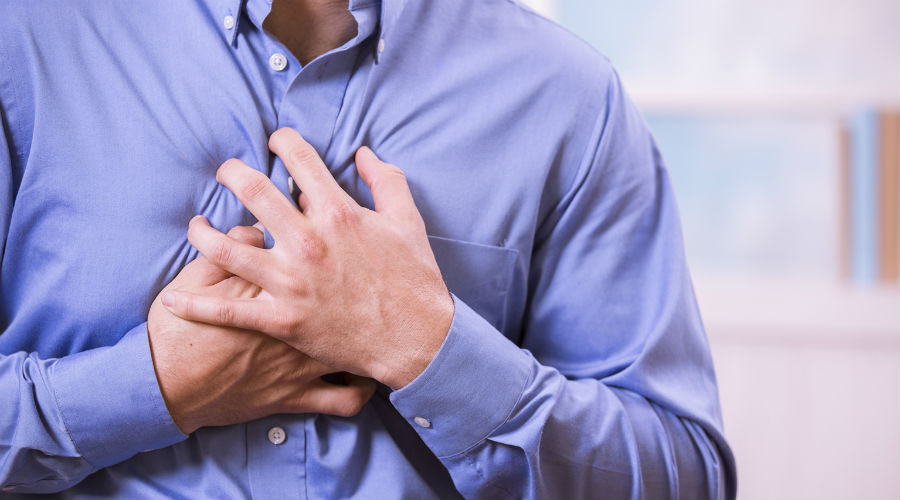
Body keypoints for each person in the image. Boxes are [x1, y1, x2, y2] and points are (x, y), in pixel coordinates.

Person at [0, 0, 737, 498]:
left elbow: (685, 476)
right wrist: (154, 389)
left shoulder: (566, 94)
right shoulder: (22, 45)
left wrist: (428, 349)